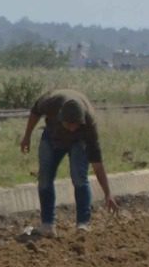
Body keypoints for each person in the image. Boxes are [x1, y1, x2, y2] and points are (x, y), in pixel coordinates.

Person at [19, 89, 119, 235]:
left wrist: (108, 193)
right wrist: (27, 136)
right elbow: (35, 112)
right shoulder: (50, 102)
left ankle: (83, 224)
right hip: (52, 137)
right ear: (60, 118)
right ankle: (47, 224)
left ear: (81, 121)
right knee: (45, 177)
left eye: (75, 125)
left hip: (79, 142)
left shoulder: (89, 125)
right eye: (68, 125)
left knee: (79, 177)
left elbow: (97, 164)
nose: (72, 129)